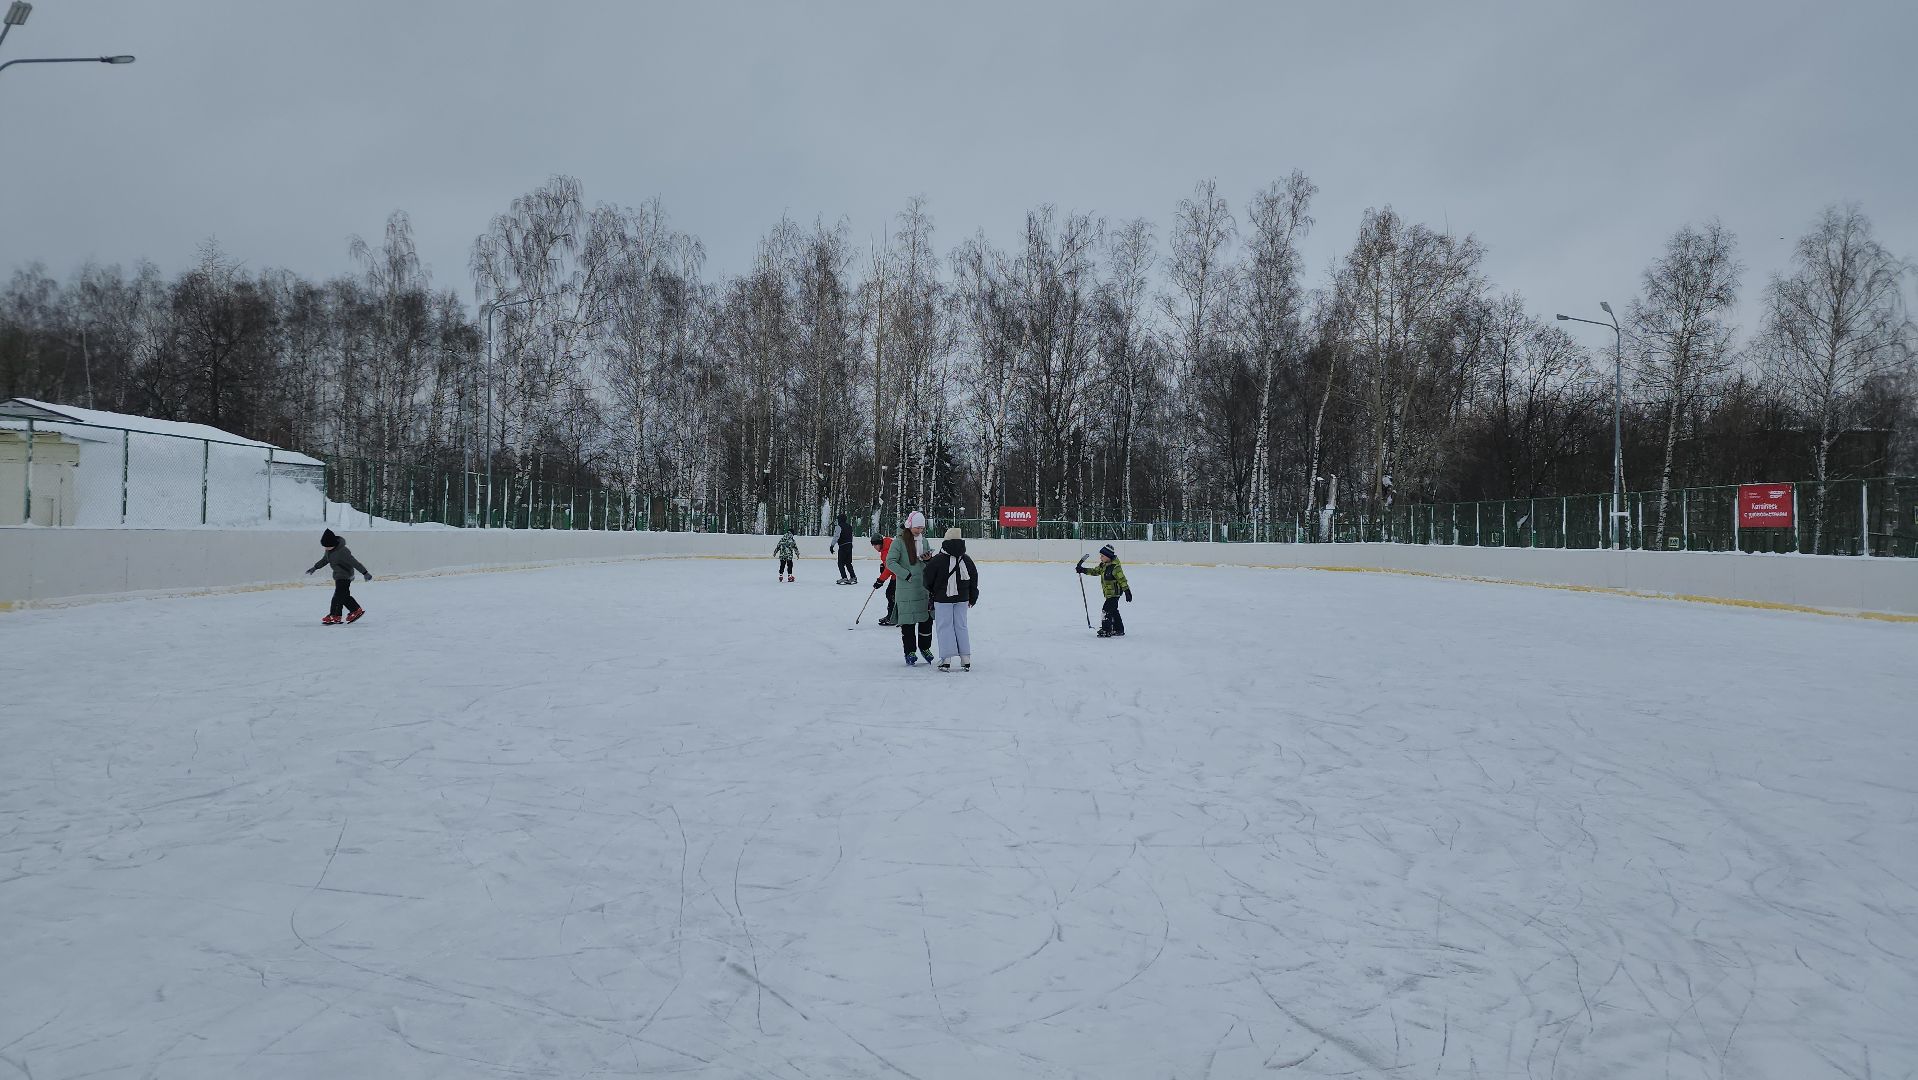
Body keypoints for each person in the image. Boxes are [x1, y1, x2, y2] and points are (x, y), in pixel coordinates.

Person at [925, 527, 979, 671]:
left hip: (943, 599)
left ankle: (946, 659)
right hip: (962, 598)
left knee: (945, 627)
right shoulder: (966, 559)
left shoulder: (937, 560)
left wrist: (933, 592)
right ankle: (965, 658)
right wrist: (972, 597)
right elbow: (974, 579)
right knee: (961, 626)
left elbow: (927, 579)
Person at [884, 511, 935, 665]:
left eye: (921, 528)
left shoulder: (924, 541)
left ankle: (925, 647)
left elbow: (926, 562)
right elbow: (890, 562)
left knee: (926, 621)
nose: (919, 531)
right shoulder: (898, 542)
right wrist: (905, 574)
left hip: (923, 587)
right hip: (907, 588)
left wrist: (928, 559)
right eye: (917, 528)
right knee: (908, 622)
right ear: (910, 525)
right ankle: (910, 651)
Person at [306, 527, 373, 625]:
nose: (326, 548)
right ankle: (355, 610)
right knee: (343, 596)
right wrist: (315, 567)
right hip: (338, 575)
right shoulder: (329, 550)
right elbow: (325, 560)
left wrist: (365, 573)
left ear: (333, 543)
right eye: (324, 546)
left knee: (337, 596)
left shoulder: (343, 551)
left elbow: (354, 562)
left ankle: (335, 615)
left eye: (327, 546)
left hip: (345, 575)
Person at [1076, 543, 1132, 638]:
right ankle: (1119, 629)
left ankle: (1106, 630)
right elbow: (1095, 571)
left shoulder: (1115, 567)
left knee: (1105, 611)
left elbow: (1122, 580)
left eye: (1102, 556)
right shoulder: (1103, 566)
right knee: (1113, 610)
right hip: (1108, 593)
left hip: (1114, 594)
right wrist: (1083, 570)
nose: (1100, 558)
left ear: (1108, 556)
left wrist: (1127, 591)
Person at [870, 534, 898, 626]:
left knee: (891, 594)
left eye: (875, 545)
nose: (874, 547)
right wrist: (883, 565)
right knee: (891, 594)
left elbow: (890, 568)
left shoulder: (887, 550)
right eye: (873, 545)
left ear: (880, 543)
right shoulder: (887, 546)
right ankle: (893, 616)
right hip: (897, 575)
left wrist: (880, 580)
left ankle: (892, 617)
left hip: (899, 576)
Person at [830, 514, 858, 584]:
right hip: (849, 545)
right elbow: (851, 536)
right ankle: (853, 577)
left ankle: (844, 577)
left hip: (843, 546)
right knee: (848, 563)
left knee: (840, 563)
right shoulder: (849, 526)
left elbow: (836, 536)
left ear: (840, 519)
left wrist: (832, 546)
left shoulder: (838, 527)